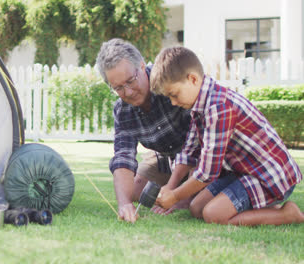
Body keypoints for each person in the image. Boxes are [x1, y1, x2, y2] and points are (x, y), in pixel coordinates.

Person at [152, 46, 304, 226]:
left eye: (174, 95)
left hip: (269, 176)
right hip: (244, 172)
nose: (173, 102)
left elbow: (207, 173)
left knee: (213, 215)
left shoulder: (218, 107)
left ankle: (288, 215)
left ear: (192, 79)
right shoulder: (200, 105)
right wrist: (170, 186)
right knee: (196, 207)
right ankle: (266, 211)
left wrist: (175, 196)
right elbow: (189, 152)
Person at [95, 38, 192, 223]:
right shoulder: (122, 110)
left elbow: (197, 144)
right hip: (164, 157)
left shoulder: (168, 83)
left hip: (197, 156)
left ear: (141, 66)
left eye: (130, 81)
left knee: (195, 201)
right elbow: (123, 156)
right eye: (118, 88)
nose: (128, 92)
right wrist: (124, 203)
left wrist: (178, 196)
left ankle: (189, 192)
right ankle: (175, 188)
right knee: (135, 191)